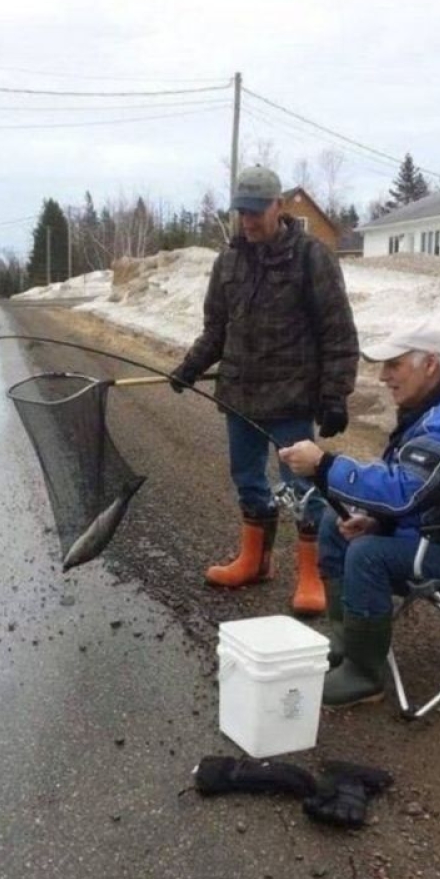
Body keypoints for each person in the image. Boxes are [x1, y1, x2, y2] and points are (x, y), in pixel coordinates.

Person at [279, 322, 440, 708]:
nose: (383, 377)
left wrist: (324, 465)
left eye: (394, 365)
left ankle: (364, 675)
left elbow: (404, 492)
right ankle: (348, 641)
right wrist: (381, 522)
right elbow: (429, 490)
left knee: (368, 554)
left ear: (429, 364)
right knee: (336, 523)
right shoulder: (436, 405)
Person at [170, 165, 359, 615]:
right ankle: (255, 562)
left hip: (292, 399)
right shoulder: (229, 260)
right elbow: (216, 329)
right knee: (248, 481)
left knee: (302, 489)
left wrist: (336, 395)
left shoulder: (312, 256)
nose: (249, 221)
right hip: (239, 396)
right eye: (242, 213)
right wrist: (190, 368)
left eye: (257, 212)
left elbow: (338, 331)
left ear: (279, 206)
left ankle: (311, 574)